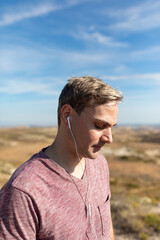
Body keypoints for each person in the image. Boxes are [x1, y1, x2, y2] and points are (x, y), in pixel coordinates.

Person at [0, 76, 123, 240]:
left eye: (111, 127)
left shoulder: (100, 164)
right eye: (100, 126)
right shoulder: (24, 191)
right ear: (67, 115)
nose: (109, 138)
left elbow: (106, 226)